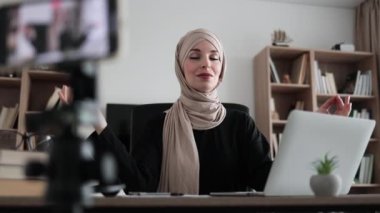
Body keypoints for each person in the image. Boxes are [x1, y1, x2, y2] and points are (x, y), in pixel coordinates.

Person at [59, 28, 351, 195]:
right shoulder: (156, 126)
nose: (206, 64)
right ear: (180, 67)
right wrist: (97, 122)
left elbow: (270, 181)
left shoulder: (240, 124)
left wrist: (318, 131)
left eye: (214, 57)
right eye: (194, 56)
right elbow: (137, 184)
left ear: (222, 68)